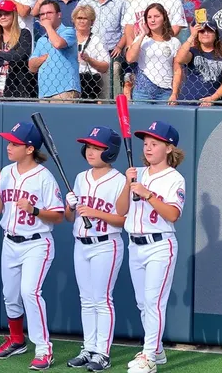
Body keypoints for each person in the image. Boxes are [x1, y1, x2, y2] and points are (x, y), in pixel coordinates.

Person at [0, 121, 64, 371]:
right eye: (9, 142)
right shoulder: (7, 172)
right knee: (10, 296)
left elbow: (58, 215)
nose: (9, 146)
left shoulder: (44, 177)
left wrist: (34, 210)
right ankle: (17, 340)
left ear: (29, 149)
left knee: (29, 293)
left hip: (36, 243)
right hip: (10, 241)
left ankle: (44, 349)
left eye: (14, 143)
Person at [119, 120, 186, 373]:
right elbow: (121, 210)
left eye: (155, 143)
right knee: (142, 302)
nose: (148, 148)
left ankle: (148, 357)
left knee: (153, 302)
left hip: (160, 244)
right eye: (146, 143)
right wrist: (128, 185)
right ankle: (156, 349)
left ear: (168, 148)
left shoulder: (174, 178)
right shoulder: (136, 172)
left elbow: (172, 214)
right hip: (135, 244)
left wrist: (147, 194)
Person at [64, 126, 127, 372]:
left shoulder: (121, 180)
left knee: (102, 300)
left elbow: (124, 220)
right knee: (86, 300)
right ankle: (89, 348)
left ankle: (103, 352)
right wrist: (70, 207)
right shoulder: (81, 177)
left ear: (109, 152)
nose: (91, 151)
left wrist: (96, 213)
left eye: (97, 147)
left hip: (106, 244)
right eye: (89, 146)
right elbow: (71, 218)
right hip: (81, 244)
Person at [126, 3, 180, 104]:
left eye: (156, 16)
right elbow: (130, 58)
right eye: (149, 17)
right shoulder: (141, 39)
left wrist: (175, 93)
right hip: (142, 91)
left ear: (164, 18)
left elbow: (177, 70)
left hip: (165, 91)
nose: (152, 20)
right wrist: (142, 35)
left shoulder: (174, 42)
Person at [29, 0, 80, 102]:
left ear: (59, 15)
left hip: (65, 91)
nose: (45, 16)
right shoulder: (41, 40)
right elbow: (31, 66)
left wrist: (47, 26)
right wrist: (43, 58)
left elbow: (58, 44)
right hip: (44, 93)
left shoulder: (68, 31)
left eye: (49, 13)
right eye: (42, 14)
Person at [173, 19, 222, 106]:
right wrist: (192, 36)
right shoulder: (192, 51)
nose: (205, 33)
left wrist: (212, 98)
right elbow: (180, 59)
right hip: (188, 102)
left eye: (209, 31)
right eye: (201, 31)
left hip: (213, 104)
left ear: (215, 34)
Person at [0, 0, 35, 99]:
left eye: (6, 14)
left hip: (18, 87)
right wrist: (9, 56)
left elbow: (21, 57)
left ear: (14, 15)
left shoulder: (24, 34)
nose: (2, 17)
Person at [73, 4, 109, 101]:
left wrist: (89, 60)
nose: (81, 21)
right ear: (74, 20)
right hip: (71, 79)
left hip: (91, 82)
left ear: (91, 21)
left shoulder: (97, 40)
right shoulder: (68, 38)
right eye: (79, 18)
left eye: (85, 18)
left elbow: (105, 67)